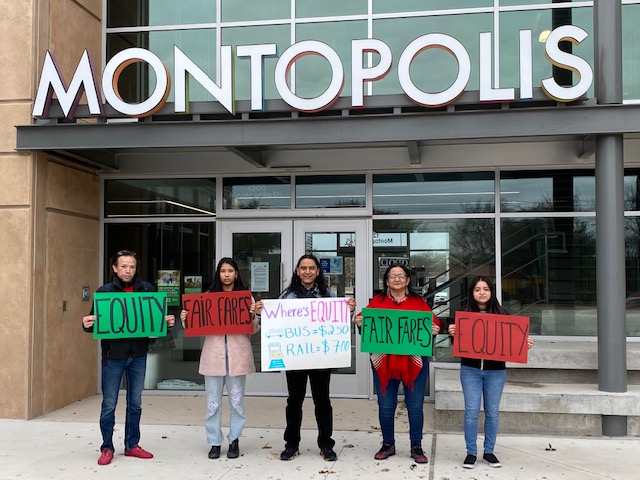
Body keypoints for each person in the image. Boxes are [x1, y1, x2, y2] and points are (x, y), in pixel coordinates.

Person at [82, 250, 176, 466]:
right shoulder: (104, 292)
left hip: (139, 356)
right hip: (113, 358)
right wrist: (86, 324)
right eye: (124, 266)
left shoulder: (148, 290)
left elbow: (156, 324)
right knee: (109, 404)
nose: (128, 270)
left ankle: (132, 445)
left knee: (135, 404)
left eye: (132, 266)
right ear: (115, 268)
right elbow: (96, 324)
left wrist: (167, 323)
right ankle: (107, 447)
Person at [355, 263, 440, 464]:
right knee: (385, 405)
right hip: (385, 363)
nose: (396, 279)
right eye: (392, 276)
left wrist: (435, 328)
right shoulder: (378, 301)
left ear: (408, 280)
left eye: (401, 276)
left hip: (414, 364)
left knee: (415, 406)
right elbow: (364, 320)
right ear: (386, 281)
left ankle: (416, 446)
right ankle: (388, 444)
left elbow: (433, 322)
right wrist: (360, 322)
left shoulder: (419, 302)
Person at [447, 275, 534, 469]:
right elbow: (458, 345)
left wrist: (523, 344)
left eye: (485, 289)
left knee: (492, 412)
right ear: (472, 293)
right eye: (477, 289)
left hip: (496, 371)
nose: (482, 292)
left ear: (491, 292)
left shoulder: (503, 314)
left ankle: (489, 452)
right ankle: (471, 453)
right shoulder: (463, 313)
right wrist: (452, 333)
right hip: (470, 370)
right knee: (471, 411)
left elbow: (511, 342)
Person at [179, 257, 262, 460]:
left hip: (238, 357)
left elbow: (253, 328)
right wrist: (186, 319)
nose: (226, 275)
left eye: (230, 271)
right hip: (213, 358)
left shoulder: (246, 298)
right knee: (212, 404)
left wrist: (255, 315)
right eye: (223, 271)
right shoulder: (207, 298)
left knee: (237, 402)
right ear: (218, 273)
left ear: (236, 274)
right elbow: (194, 327)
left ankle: (234, 439)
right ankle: (215, 442)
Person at [278, 254, 356, 462]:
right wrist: (260, 314)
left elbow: (339, 324)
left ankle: (326, 444)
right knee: (294, 401)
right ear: (297, 271)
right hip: (295, 359)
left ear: (318, 271)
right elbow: (274, 324)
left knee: (322, 401)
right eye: (303, 268)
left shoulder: (328, 295)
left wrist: (348, 311)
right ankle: (291, 444)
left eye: (311, 268)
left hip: (321, 359)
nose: (307, 272)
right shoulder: (286, 297)